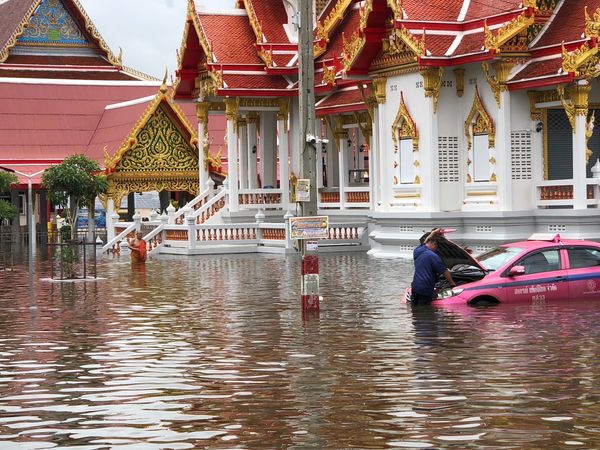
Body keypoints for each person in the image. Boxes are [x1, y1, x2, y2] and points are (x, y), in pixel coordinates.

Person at [411, 229, 455, 305]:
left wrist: (433, 233)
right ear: (434, 244)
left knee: (415, 309)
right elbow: (444, 271)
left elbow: (425, 242)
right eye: (437, 246)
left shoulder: (417, 250)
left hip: (415, 287)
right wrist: (452, 283)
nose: (436, 249)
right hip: (425, 289)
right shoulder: (433, 256)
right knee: (424, 311)